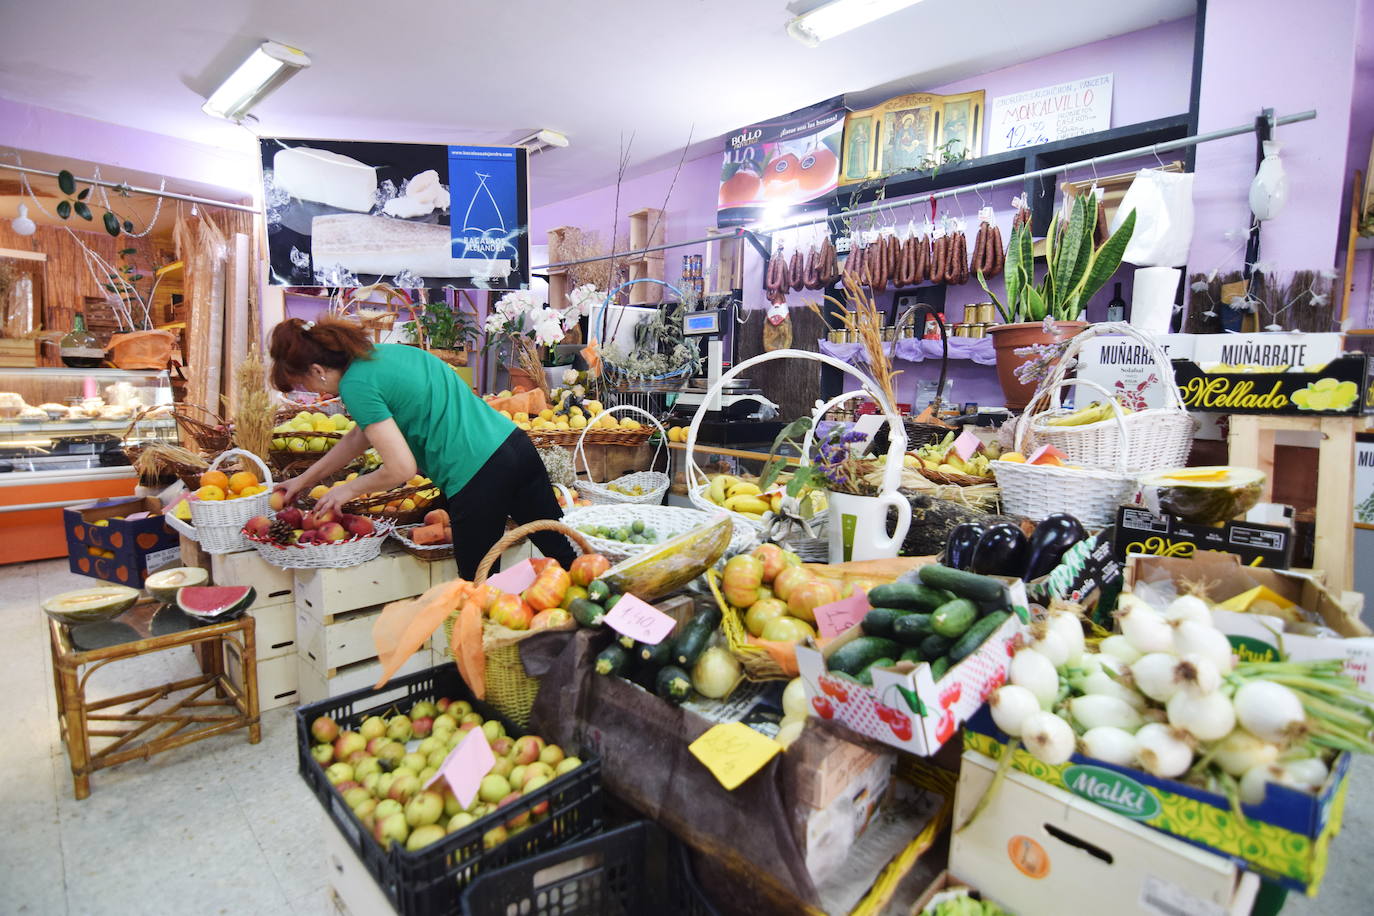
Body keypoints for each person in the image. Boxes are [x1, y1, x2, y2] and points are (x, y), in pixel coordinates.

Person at [267, 316, 576, 578]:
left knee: (479, 586)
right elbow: (360, 437)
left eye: (303, 384)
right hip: (515, 447)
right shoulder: (380, 356)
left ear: (317, 370)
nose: (309, 391)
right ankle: (604, 627)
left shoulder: (355, 384)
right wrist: (305, 480)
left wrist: (346, 490)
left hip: (476, 475)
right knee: (563, 553)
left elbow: (401, 469)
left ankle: (490, 648)